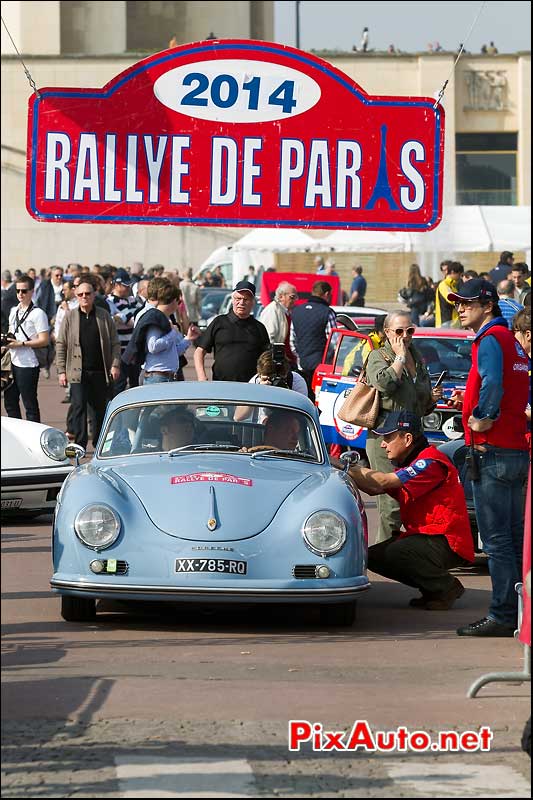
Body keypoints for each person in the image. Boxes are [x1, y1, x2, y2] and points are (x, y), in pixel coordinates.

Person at [447, 279, 529, 636]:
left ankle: (502, 615)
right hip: (513, 448)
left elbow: (492, 382)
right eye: (458, 303)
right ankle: (518, 613)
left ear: (487, 305)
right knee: (513, 539)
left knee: (496, 541)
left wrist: (483, 415)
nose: (460, 308)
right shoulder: (511, 341)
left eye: (467, 303)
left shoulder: (490, 339)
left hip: (492, 448)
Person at [338, 410, 474, 609]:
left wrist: (341, 465)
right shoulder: (414, 461)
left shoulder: (429, 462)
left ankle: (444, 587)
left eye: (388, 438)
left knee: (398, 552)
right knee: (371, 557)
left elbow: (383, 481)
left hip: (448, 542)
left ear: (407, 438)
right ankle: (433, 589)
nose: (383, 444)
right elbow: (374, 487)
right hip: (429, 537)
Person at [365, 310, 442, 543]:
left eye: (410, 331)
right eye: (399, 331)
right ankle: (381, 556)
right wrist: (398, 357)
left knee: (417, 497)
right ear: (387, 333)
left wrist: (430, 398)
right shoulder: (379, 356)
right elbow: (384, 384)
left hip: (413, 438)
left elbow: (418, 400)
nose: (405, 336)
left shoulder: (416, 356)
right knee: (391, 504)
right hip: (386, 438)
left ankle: (408, 552)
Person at [56, 280, 121, 449]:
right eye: (80, 294)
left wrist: (115, 364)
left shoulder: (103, 315)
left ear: (93, 295)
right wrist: (61, 371)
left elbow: (115, 343)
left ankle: (99, 444)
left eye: (88, 294)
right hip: (77, 372)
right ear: (76, 296)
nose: (84, 297)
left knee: (99, 410)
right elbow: (61, 344)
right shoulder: (70, 316)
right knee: (78, 408)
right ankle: (80, 444)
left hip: (100, 371)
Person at [194, 281, 270, 382]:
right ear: (233, 300)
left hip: (251, 386)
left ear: (252, 302)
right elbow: (199, 351)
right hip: (221, 384)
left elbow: (267, 358)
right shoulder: (219, 322)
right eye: (238, 298)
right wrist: (201, 376)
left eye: (246, 299)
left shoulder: (259, 328)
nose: (241, 303)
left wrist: (264, 377)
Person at [4, 274, 50, 423]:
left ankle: (34, 438)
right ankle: (18, 436)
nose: (20, 294)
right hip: (12, 362)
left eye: (24, 291)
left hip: (29, 364)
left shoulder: (38, 314)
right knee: (10, 402)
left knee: (29, 404)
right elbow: (13, 332)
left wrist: (22, 344)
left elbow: (44, 340)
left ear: (32, 292)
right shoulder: (13, 311)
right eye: (17, 291)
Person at [143, 283, 199, 384]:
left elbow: (174, 351)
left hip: (167, 376)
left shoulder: (165, 318)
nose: (179, 306)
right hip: (158, 377)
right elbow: (153, 346)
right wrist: (172, 333)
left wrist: (188, 339)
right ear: (173, 301)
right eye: (179, 302)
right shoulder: (156, 318)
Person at [290, 280, 337, 400]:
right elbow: (334, 341)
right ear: (326, 294)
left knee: (303, 398)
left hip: (302, 365)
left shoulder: (296, 311)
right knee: (319, 400)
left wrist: (300, 357)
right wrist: (329, 361)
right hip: (321, 367)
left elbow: (292, 341)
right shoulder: (328, 312)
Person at [107, 268, 141, 394]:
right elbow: (113, 322)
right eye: (125, 286)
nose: (128, 288)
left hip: (134, 348)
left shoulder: (133, 300)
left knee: (136, 384)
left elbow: (138, 319)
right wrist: (127, 316)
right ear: (116, 285)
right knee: (118, 385)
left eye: (129, 286)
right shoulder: (109, 301)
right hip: (120, 349)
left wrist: (122, 316)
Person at [259, 282, 298, 368]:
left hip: (287, 360)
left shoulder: (286, 312)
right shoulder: (272, 311)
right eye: (292, 297)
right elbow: (269, 338)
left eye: (296, 297)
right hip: (278, 362)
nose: (295, 300)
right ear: (281, 297)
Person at [434, 261, 464, 327]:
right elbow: (452, 299)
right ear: (453, 272)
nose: (460, 277)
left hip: (452, 323)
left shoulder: (452, 286)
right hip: (445, 323)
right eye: (460, 275)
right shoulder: (443, 285)